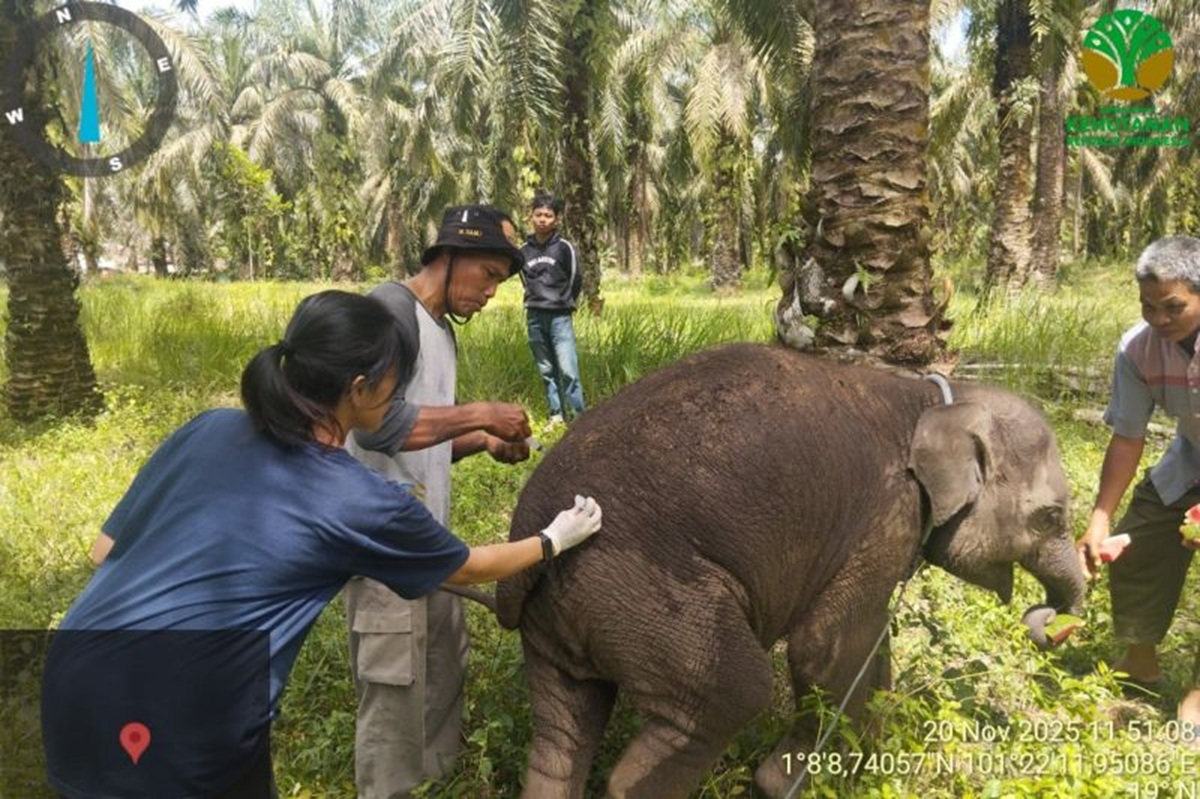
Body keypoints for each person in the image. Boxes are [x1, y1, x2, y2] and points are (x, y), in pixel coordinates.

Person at [40, 290, 601, 799]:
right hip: (188, 716)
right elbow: (472, 567)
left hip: (73, 680)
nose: (398, 397)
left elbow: (102, 549)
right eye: (395, 385)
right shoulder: (358, 498)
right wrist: (555, 538)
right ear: (360, 389)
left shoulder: (207, 427)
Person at [344, 204, 533, 798]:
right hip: (382, 547)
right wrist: (479, 412)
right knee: (394, 685)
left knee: (445, 663)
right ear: (448, 257)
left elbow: (418, 442)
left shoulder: (441, 332)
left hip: (430, 540)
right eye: (487, 276)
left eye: (500, 283)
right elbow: (376, 427)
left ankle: (440, 781)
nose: (490, 294)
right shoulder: (389, 311)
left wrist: (481, 441)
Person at [1078, 235, 1200, 727]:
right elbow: (1127, 438)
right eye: (1148, 307)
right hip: (1189, 463)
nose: (1159, 320)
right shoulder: (1137, 348)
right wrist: (1099, 520)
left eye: (1173, 307)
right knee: (1136, 543)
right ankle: (1140, 661)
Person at [519, 192, 586, 424]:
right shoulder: (523, 251)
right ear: (531, 216)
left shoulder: (564, 248)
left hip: (560, 317)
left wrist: (564, 302)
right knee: (546, 370)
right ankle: (556, 414)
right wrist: (535, 300)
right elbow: (524, 279)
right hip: (534, 316)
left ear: (556, 219)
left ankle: (578, 418)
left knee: (568, 369)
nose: (542, 219)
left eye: (548, 215)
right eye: (538, 214)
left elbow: (576, 278)